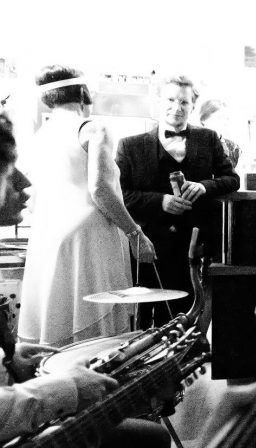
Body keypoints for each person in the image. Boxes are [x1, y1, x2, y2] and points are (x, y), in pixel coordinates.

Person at [0, 112, 169, 447]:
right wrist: (67, 388)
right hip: (89, 245)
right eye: (6, 171)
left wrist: (11, 358)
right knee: (149, 439)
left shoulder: (45, 133)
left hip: (54, 245)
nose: (24, 182)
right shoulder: (94, 127)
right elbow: (100, 187)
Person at [19, 66, 157, 347]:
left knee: (57, 320)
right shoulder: (93, 128)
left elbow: (31, 196)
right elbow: (101, 189)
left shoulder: (39, 137)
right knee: (96, 336)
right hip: (90, 237)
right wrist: (135, 234)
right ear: (83, 92)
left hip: (49, 237)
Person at [117, 75, 239, 328]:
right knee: (144, 320)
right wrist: (159, 201)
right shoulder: (130, 145)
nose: (177, 107)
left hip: (193, 248)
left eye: (184, 102)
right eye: (171, 100)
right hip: (148, 245)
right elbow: (120, 194)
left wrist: (204, 186)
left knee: (186, 318)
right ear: (158, 102)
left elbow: (232, 179)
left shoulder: (209, 138)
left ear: (192, 106)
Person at [198, 99, 243, 169]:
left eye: (226, 118)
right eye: (220, 117)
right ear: (204, 120)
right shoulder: (189, 145)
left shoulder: (234, 149)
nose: (224, 122)